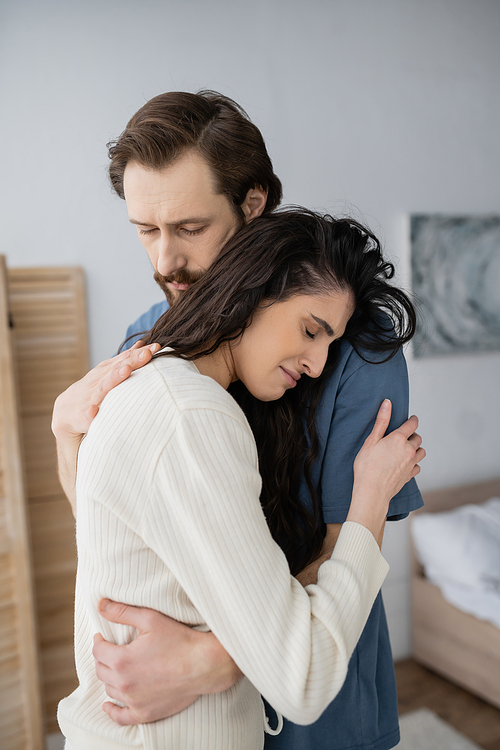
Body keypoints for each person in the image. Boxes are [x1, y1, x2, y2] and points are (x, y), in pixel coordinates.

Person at [52, 91, 423, 750]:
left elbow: (343, 549)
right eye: (145, 229)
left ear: (251, 207)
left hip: (321, 716)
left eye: (189, 228)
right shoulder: (147, 343)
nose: (165, 260)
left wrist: (207, 660)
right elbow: (128, 535)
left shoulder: (353, 347)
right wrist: (65, 433)